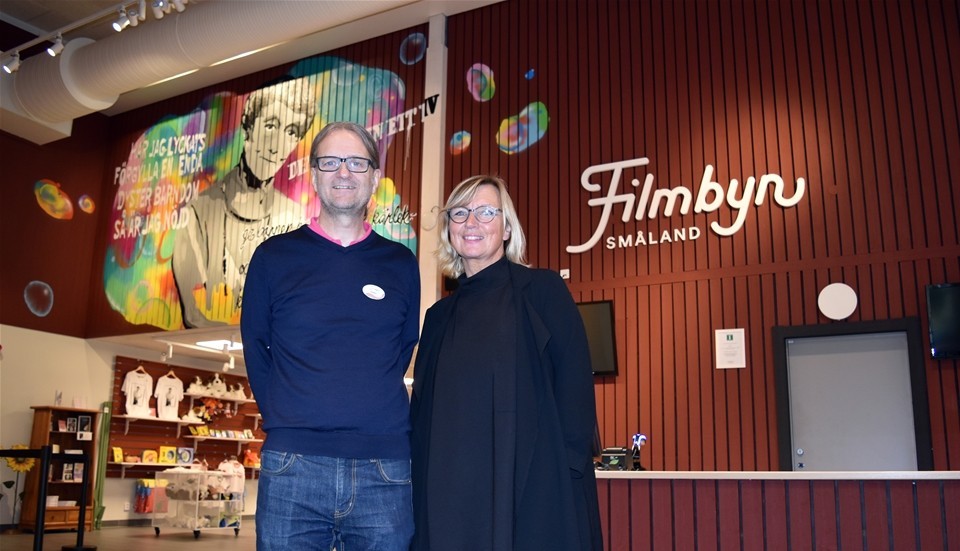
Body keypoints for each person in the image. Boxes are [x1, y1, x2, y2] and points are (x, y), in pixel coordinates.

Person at [241, 121, 420, 551]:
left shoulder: (400, 263)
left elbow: (403, 345)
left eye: (358, 162)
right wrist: (288, 416)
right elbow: (256, 346)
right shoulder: (272, 258)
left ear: (375, 176)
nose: (344, 172)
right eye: (331, 161)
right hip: (292, 466)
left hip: (385, 468)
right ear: (314, 173)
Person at [410, 175, 603, 550]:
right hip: (450, 503)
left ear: (507, 227)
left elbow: (575, 388)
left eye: (485, 212)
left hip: (534, 494)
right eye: (460, 213)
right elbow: (423, 417)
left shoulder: (542, 293)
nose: (471, 223)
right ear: (449, 228)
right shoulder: (437, 318)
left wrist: (566, 474)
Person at [173, 77, 316, 327]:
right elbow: (194, 316)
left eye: (292, 132)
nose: (277, 147)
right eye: (271, 125)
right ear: (248, 125)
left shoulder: (297, 219)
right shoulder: (198, 212)